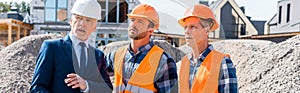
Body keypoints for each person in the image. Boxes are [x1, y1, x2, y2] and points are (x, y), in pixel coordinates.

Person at [30, 0, 112, 92]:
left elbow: (107, 89)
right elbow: (37, 88)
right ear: (71, 21)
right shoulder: (52, 48)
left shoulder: (98, 56)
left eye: (88, 20)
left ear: (95, 27)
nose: (82, 24)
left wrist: (86, 85)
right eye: (78, 18)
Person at [106, 4, 178, 93]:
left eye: (140, 21)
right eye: (132, 20)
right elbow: (96, 77)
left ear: (150, 30)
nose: (133, 24)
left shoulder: (163, 61)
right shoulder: (116, 55)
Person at [177, 4, 238, 93]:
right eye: (185, 27)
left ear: (207, 30)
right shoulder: (184, 63)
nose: (186, 31)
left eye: (192, 27)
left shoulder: (222, 63)